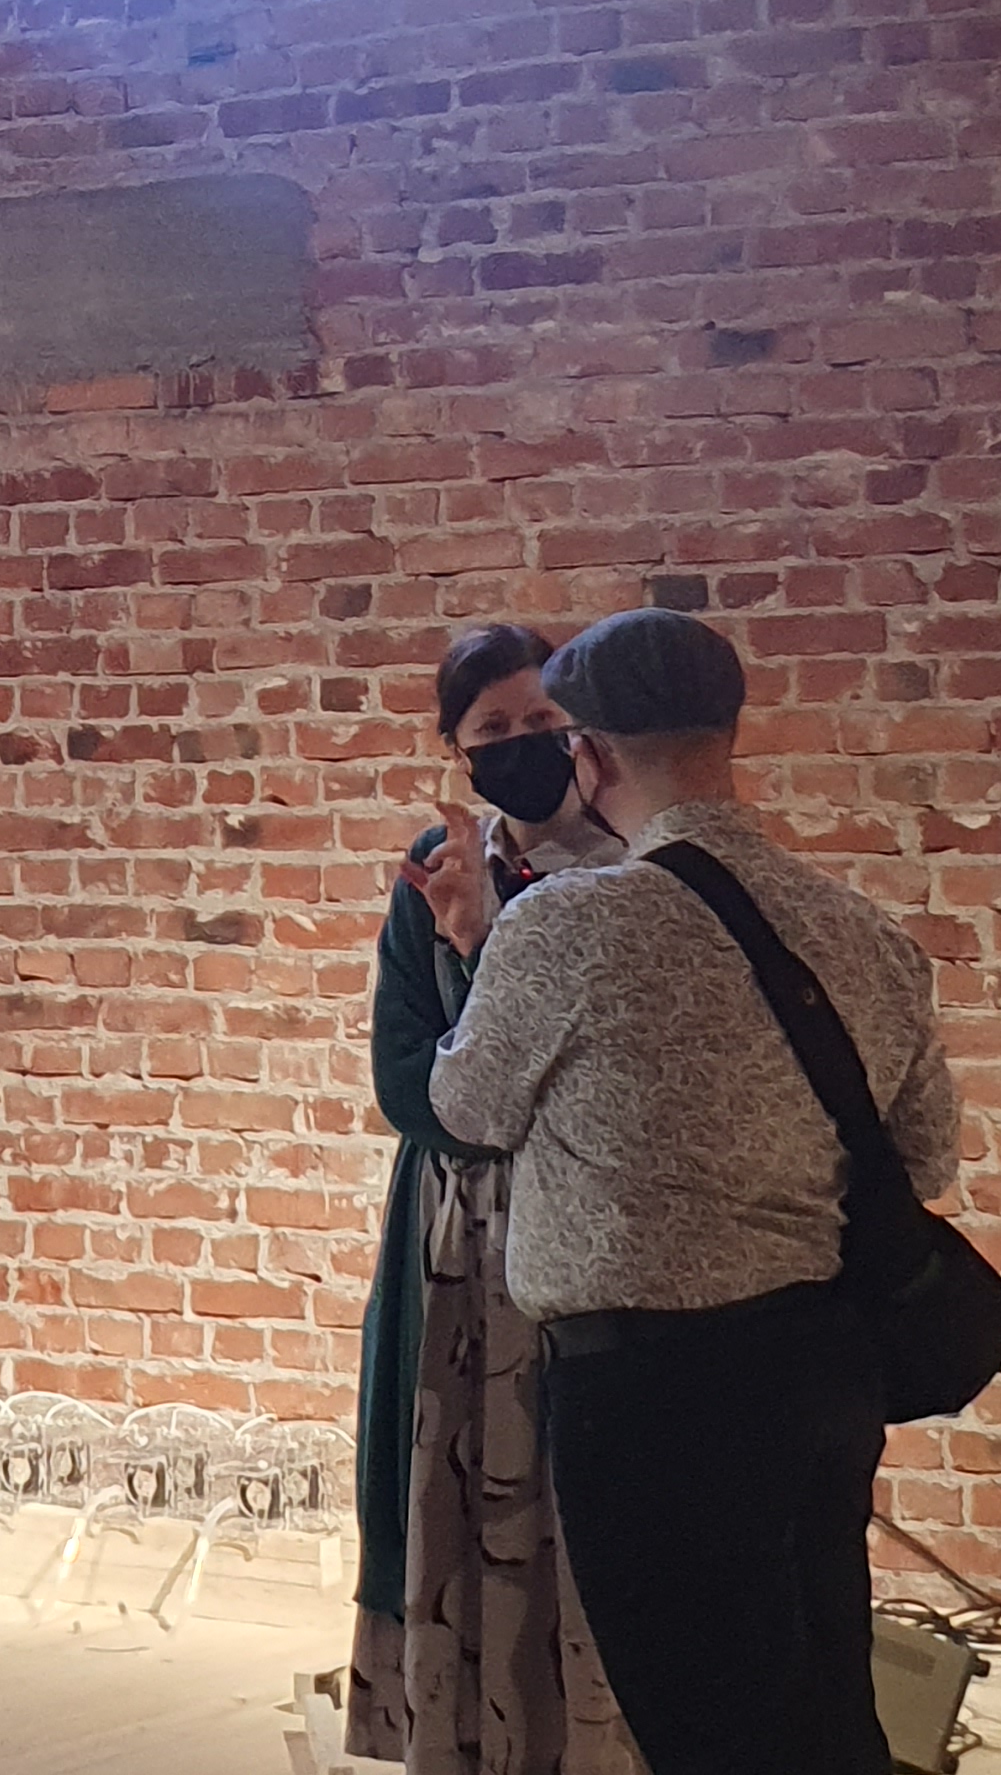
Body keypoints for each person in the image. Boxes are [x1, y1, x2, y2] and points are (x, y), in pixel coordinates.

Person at [425, 611, 961, 1775]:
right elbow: (923, 1164)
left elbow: (465, 1111)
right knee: (828, 1700)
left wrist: (472, 950)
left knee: (708, 1723)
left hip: (651, 1390)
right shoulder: (863, 932)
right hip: (827, 1368)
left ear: (593, 758)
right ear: (729, 731)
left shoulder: (565, 926)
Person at [350, 623, 641, 1775]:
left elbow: (602, 1073)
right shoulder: (437, 864)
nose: (522, 747)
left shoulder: (633, 867)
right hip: (458, 1238)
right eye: (493, 733)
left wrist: (487, 954)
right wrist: (462, 944)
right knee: (458, 1486)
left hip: (589, 1223)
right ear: (455, 751)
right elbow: (408, 1079)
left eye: (539, 723)